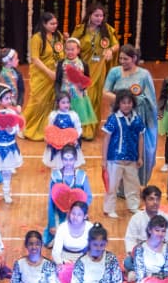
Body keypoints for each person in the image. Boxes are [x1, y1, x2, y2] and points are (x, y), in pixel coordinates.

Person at [103, 45, 158, 184]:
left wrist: (133, 103)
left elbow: (150, 99)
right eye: (120, 58)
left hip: (137, 118)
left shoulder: (144, 74)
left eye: (125, 59)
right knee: (118, 148)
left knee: (136, 149)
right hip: (118, 117)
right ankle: (118, 185)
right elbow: (105, 93)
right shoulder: (114, 72)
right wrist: (123, 101)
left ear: (134, 58)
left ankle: (134, 185)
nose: (122, 61)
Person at [73, 2, 120, 136]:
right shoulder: (80, 29)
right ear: (89, 15)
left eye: (101, 16)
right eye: (96, 15)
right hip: (82, 68)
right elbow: (72, 44)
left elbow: (116, 45)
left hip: (99, 68)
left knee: (94, 96)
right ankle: (80, 126)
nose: (99, 18)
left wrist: (110, 50)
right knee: (81, 97)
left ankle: (90, 129)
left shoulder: (107, 30)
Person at [101, 90, 144, 218]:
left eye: (129, 102)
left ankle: (133, 206)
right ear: (118, 104)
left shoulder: (137, 119)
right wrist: (104, 159)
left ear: (133, 103)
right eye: (123, 103)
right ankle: (109, 209)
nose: (126, 105)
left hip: (132, 158)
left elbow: (140, 138)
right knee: (112, 186)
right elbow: (106, 139)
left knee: (133, 185)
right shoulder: (113, 119)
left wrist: (140, 156)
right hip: (114, 159)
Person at [23, 10, 64, 141]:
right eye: (51, 24)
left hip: (55, 74)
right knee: (37, 102)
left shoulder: (58, 36)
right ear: (44, 24)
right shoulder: (37, 38)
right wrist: (49, 72)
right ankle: (23, 126)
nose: (54, 26)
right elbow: (35, 59)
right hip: (41, 76)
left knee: (50, 102)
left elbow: (61, 52)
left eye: (56, 23)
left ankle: (45, 129)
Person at [45, 144, 91, 241]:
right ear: (61, 159)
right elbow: (51, 201)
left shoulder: (81, 176)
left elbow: (88, 197)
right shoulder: (56, 176)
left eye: (71, 160)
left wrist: (81, 213)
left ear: (75, 159)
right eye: (65, 159)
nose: (68, 163)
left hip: (77, 214)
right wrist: (52, 223)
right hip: (59, 214)